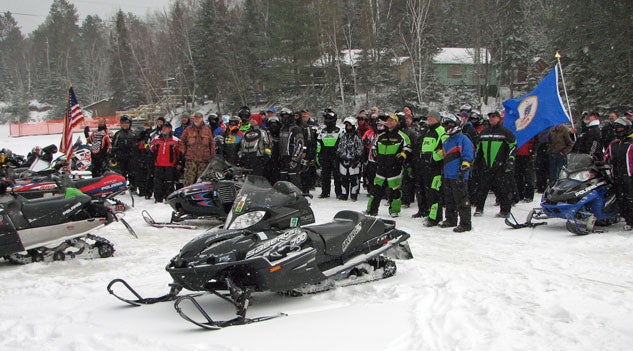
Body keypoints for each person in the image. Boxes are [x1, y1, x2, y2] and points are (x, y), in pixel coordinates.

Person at [366, 114, 411, 217]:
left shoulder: (402, 136)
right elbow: (373, 148)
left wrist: (400, 157)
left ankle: (394, 210)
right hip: (381, 167)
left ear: (396, 122)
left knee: (394, 190)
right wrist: (377, 157)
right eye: (388, 120)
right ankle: (371, 210)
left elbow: (408, 148)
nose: (389, 122)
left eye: (392, 120)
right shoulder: (381, 136)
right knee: (376, 189)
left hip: (394, 167)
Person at [473, 111, 517, 218]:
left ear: (499, 118)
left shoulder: (505, 132)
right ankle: (479, 208)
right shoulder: (484, 132)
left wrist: (510, 160)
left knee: (503, 189)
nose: (491, 119)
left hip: (500, 166)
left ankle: (505, 210)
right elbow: (478, 149)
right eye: (490, 117)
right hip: (486, 166)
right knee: (482, 188)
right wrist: (476, 163)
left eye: (494, 117)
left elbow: (513, 146)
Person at [440, 113, 474, 232]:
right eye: (446, 125)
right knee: (449, 199)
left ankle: (465, 223)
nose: (447, 127)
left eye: (449, 125)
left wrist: (463, 171)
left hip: (459, 175)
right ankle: (450, 219)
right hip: (448, 175)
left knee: (462, 199)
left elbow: (468, 156)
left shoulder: (463, 139)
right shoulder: (447, 141)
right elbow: (444, 158)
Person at [418, 110, 447, 226]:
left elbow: (444, 147)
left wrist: (435, 158)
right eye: (428, 118)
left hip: (436, 167)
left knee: (435, 193)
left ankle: (435, 218)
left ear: (438, 119)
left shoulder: (441, 131)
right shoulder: (427, 131)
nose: (429, 119)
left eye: (432, 118)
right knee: (428, 192)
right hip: (426, 167)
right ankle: (430, 214)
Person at [604, 117, 633, 230]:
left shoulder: (631, 143)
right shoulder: (614, 144)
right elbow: (606, 155)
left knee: (630, 198)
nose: (618, 131)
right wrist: (607, 160)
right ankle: (628, 220)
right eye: (617, 129)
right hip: (617, 175)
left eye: (621, 129)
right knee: (622, 198)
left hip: (630, 175)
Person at [179, 111, 216, 186]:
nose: (196, 120)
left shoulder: (207, 130)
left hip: (204, 160)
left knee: (201, 181)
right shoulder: (188, 130)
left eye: (198, 118)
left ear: (202, 119)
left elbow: (212, 144)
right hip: (191, 160)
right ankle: (187, 196)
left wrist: (213, 156)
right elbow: (182, 141)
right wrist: (183, 152)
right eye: (195, 118)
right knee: (188, 181)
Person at [150, 122, 180, 203]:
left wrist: (177, 163)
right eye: (163, 128)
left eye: (166, 128)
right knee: (157, 182)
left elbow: (178, 153)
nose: (164, 129)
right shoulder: (156, 139)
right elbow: (151, 150)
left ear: (170, 129)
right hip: (158, 165)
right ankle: (158, 198)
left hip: (170, 165)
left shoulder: (175, 140)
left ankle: (169, 197)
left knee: (169, 183)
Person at [336, 117, 364, 201]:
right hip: (343, 160)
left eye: (349, 126)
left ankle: (354, 194)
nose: (347, 127)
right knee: (343, 178)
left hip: (354, 161)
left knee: (354, 178)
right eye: (346, 125)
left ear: (353, 126)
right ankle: (344, 194)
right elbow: (339, 148)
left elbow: (360, 149)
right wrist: (339, 157)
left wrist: (357, 160)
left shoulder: (357, 138)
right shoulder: (343, 137)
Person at [316, 109, 342, 198]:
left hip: (335, 155)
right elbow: (318, 143)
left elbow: (341, 144)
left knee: (337, 175)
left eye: (329, 118)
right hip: (325, 155)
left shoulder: (339, 130)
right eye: (326, 118)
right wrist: (318, 154)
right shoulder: (322, 131)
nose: (327, 120)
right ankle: (325, 192)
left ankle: (339, 192)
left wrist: (340, 155)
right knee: (325, 175)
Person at [278, 108, 305, 188]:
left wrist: (295, 158)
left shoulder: (295, 129)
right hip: (283, 157)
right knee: (283, 178)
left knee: (293, 178)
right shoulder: (282, 129)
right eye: (283, 116)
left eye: (286, 116)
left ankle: (297, 196)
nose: (284, 118)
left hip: (292, 158)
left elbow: (300, 144)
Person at [111, 115, 137, 188]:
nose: (125, 125)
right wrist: (113, 156)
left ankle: (133, 186)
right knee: (121, 173)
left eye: (126, 123)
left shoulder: (133, 133)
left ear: (129, 124)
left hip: (131, 157)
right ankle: (121, 186)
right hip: (121, 157)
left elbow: (137, 146)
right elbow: (114, 145)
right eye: (123, 123)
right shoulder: (118, 134)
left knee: (132, 173)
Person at [513, 137, 535, 202]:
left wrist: (532, 151)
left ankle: (528, 195)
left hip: (527, 155)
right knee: (518, 176)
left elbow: (535, 142)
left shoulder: (530, 132)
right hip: (518, 155)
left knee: (528, 177)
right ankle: (520, 194)